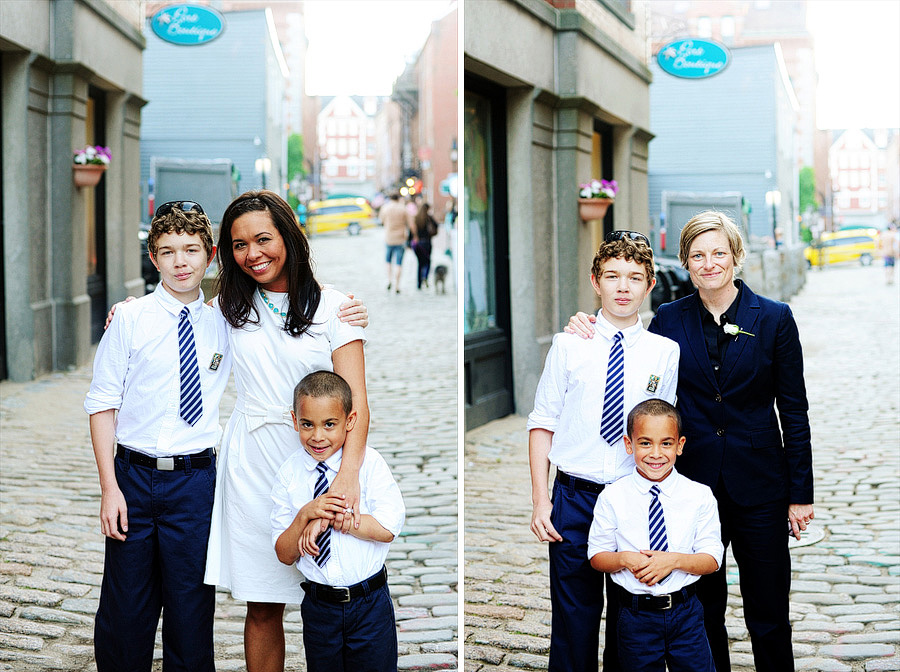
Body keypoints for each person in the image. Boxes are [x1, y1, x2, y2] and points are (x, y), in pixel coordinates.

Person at [567, 211, 814, 672]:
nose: (709, 263)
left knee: (769, 612)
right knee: (705, 612)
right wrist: (585, 324)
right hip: (693, 486)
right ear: (685, 261)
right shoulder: (667, 318)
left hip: (761, 485)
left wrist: (800, 495)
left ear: (735, 256)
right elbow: (632, 353)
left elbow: (794, 411)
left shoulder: (776, 319)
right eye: (697, 255)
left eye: (719, 252)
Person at [203, 190, 370, 672]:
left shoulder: (335, 308)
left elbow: (357, 404)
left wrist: (348, 476)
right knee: (262, 601)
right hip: (252, 462)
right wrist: (128, 309)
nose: (252, 254)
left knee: (336, 594)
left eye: (262, 239)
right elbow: (173, 317)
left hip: (319, 459)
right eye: (238, 245)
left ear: (289, 237)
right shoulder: (227, 308)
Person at [85, 201, 230, 671]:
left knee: (191, 610)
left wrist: (347, 306)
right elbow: (102, 404)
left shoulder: (227, 323)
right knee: (125, 610)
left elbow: (288, 308)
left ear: (209, 254)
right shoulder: (130, 319)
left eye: (191, 250)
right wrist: (110, 488)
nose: (181, 261)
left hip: (194, 483)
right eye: (168, 251)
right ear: (154, 258)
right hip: (133, 477)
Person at [527, 231, 680, 672]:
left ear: (650, 285)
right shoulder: (569, 343)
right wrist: (542, 500)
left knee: (630, 615)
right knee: (574, 613)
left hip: (630, 495)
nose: (623, 287)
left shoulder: (663, 353)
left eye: (635, 278)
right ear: (596, 281)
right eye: (612, 276)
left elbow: (662, 430)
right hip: (574, 496)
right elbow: (542, 423)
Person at [271, 370, 404, 672]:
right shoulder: (289, 475)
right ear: (295, 421)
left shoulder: (369, 464)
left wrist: (335, 519)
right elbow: (283, 552)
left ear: (350, 421)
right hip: (320, 608)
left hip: (369, 603)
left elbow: (387, 528)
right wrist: (306, 514)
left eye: (329, 424)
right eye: (307, 424)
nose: (318, 436)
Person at [588, 399, 723, 672]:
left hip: (686, 614)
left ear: (680, 445)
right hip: (635, 617)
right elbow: (596, 556)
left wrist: (672, 561)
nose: (656, 454)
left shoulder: (699, 496)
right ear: (629, 445)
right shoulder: (612, 497)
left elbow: (712, 559)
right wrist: (625, 559)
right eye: (645, 443)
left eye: (666, 443)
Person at [379, 193, 412, 293]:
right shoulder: (403, 209)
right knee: (399, 263)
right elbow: (410, 224)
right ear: (398, 198)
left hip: (389, 238)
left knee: (388, 261)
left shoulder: (385, 208)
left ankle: (389, 280)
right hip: (401, 239)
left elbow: (381, 220)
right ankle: (397, 285)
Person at [411, 201, 438, 290]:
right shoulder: (428, 218)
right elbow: (436, 226)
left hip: (418, 244)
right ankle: (425, 277)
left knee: (420, 263)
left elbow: (411, 231)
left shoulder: (416, 218)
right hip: (427, 243)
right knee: (427, 261)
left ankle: (418, 283)